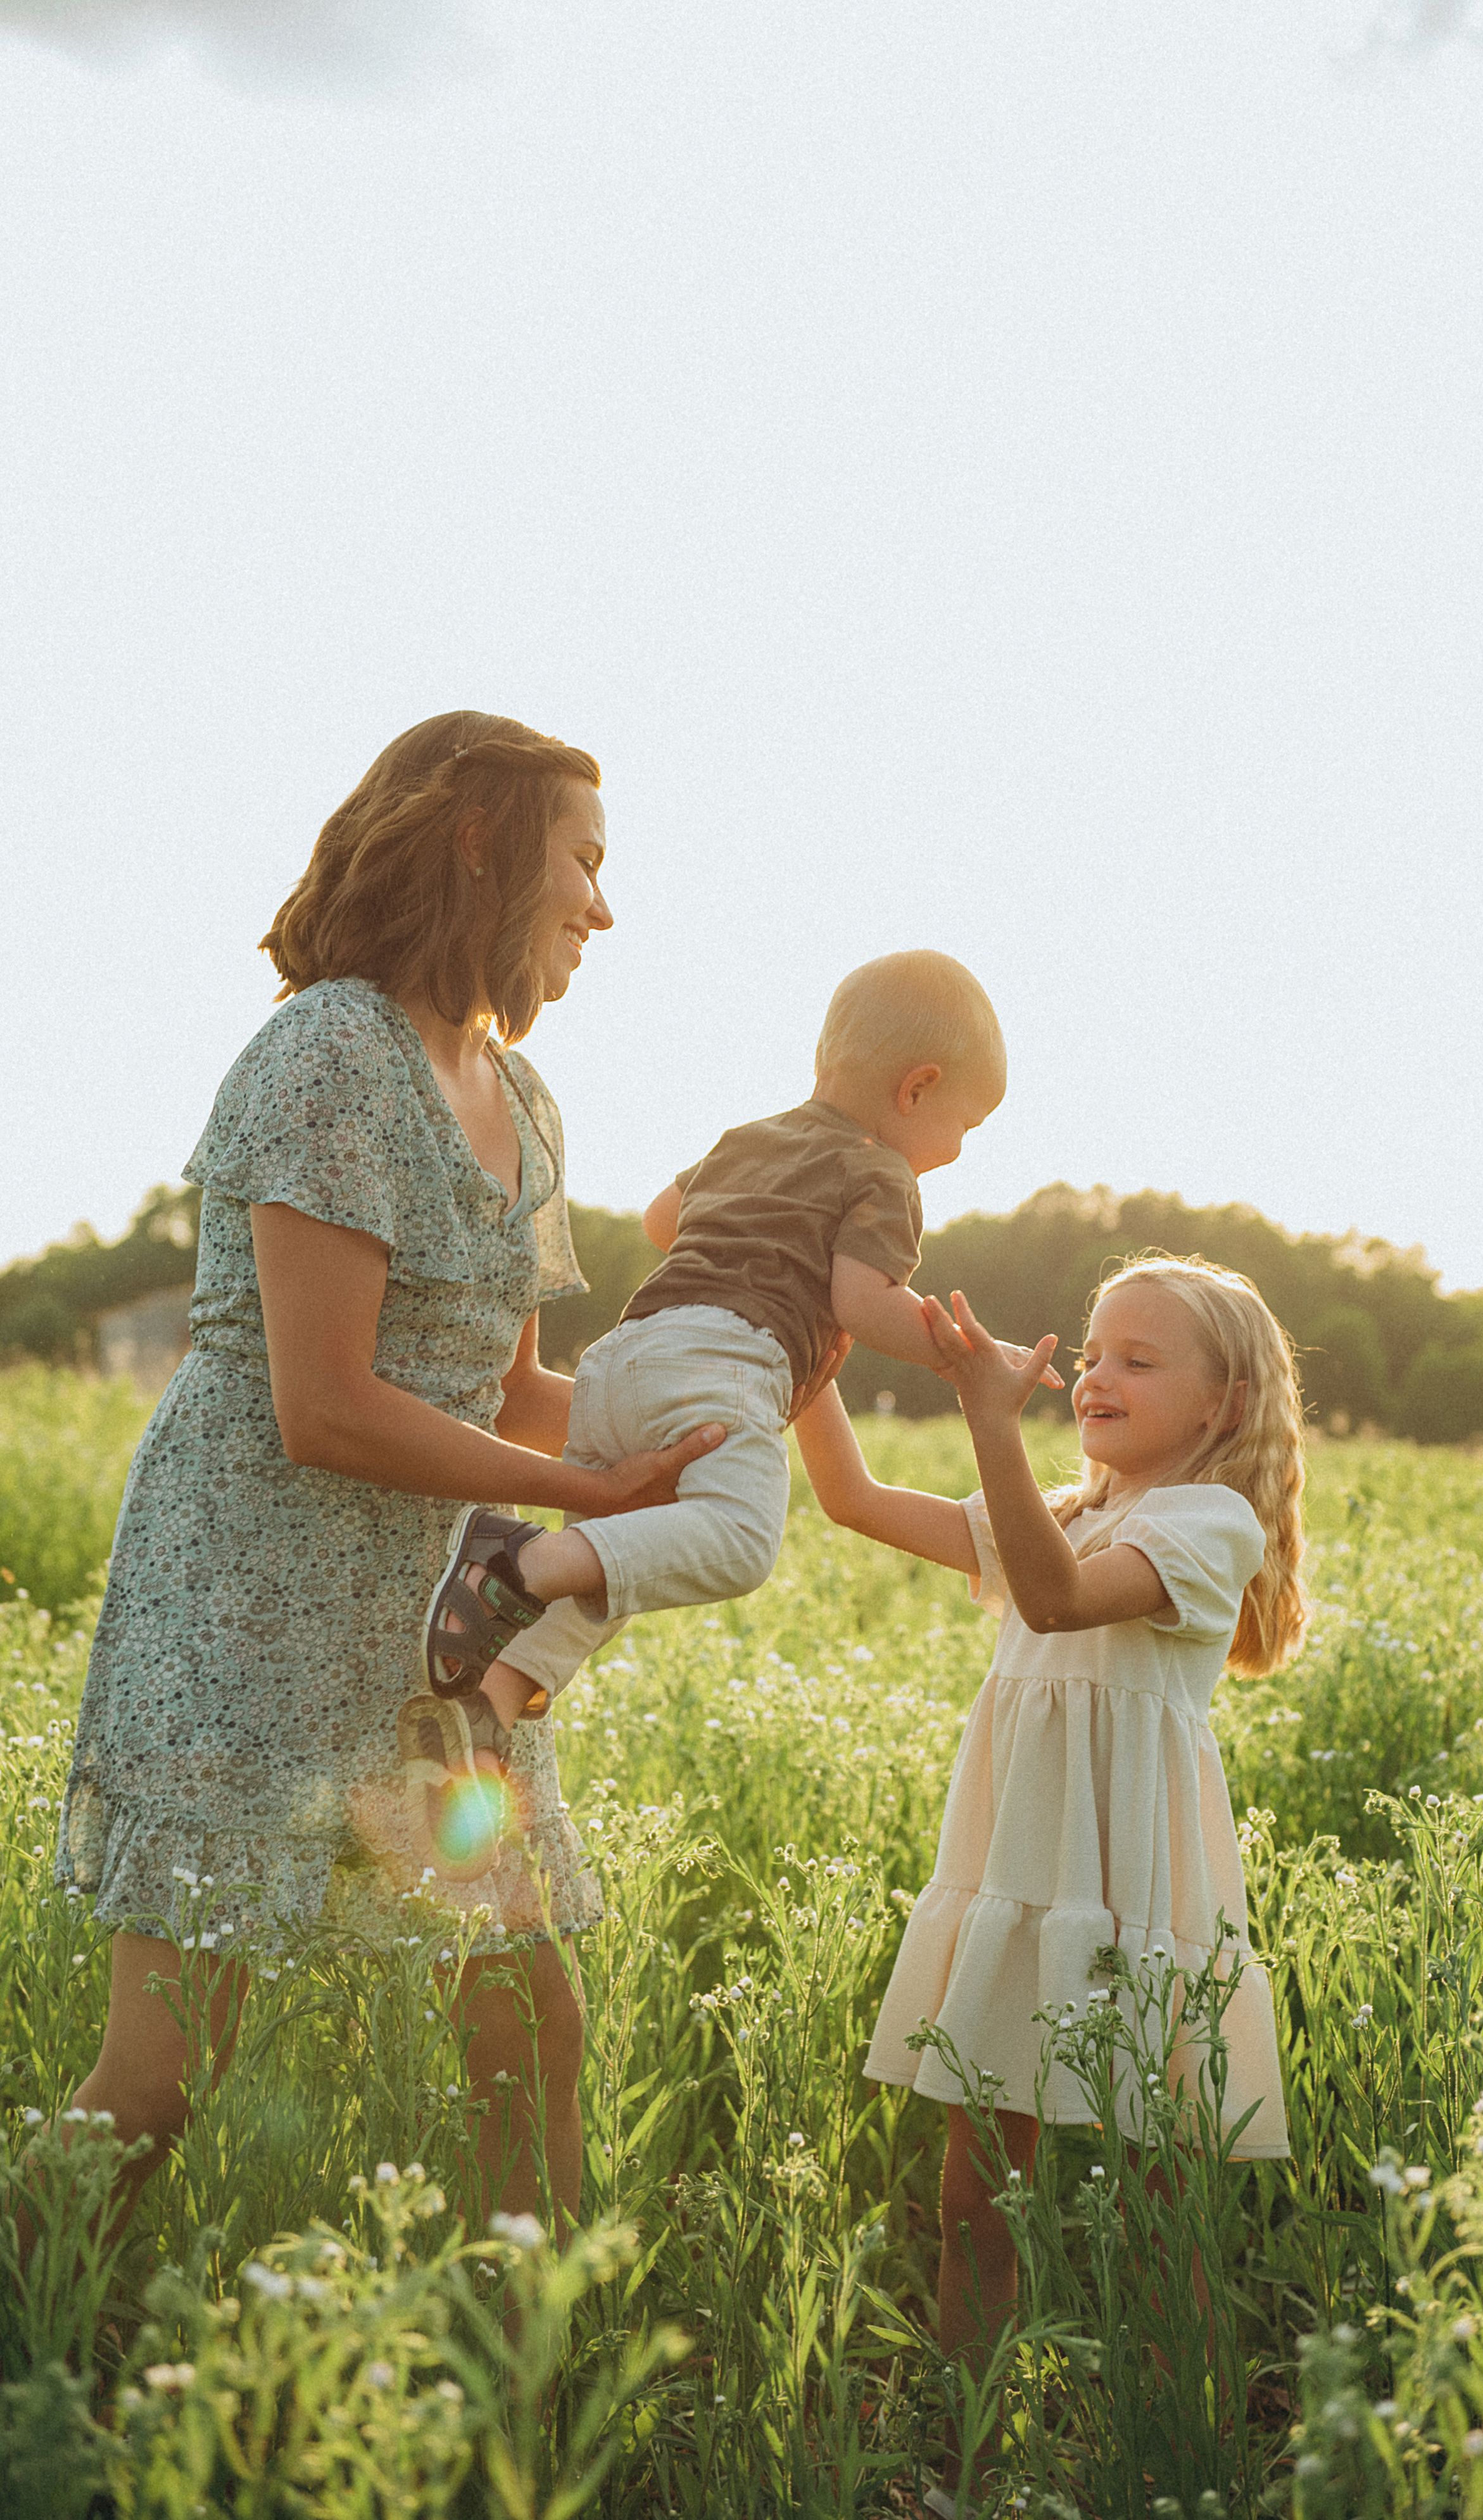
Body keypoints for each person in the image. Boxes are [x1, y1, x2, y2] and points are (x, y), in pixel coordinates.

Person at [52, 710, 721, 2243]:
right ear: (481, 841)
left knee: (525, 2019)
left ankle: (508, 2414)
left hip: (427, 1635)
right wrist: (592, 1503)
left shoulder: (523, 1101)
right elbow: (327, 1403)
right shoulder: (328, 1053)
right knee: (163, 2078)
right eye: (585, 862)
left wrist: (691, 1425)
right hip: (253, 1611)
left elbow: (507, 1387)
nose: (602, 911)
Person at [792, 1256, 1307, 2519]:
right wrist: (800, 1352)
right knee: (977, 2185)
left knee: (1150, 2200)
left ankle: (1171, 2461)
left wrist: (985, 1418)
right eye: (1092, 1350)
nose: (1094, 1374)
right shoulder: (1063, 1506)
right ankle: (966, 2468)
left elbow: (1059, 1598)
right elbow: (853, 1499)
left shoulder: (1203, 1525)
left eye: (1139, 1358)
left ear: (1222, 1402)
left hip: (1130, 1882)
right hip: (1026, 1869)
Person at [408, 951, 1059, 1853]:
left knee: (628, 1562)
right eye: (967, 1125)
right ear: (918, 1088)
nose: (959, 1150)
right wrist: (971, 1363)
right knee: (740, 1540)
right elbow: (862, 1303)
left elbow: (660, 1223)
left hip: (625, 1359)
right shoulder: (883, 1175)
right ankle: (517, 1563)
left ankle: (485, 1710)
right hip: (722, 1361)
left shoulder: (751, 1137)